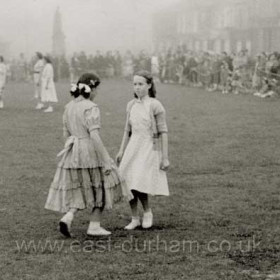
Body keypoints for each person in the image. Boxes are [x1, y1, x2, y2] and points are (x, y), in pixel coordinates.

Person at [45, 73, 132, 237]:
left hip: (73, 150)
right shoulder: (91, 107)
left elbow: (66, 134)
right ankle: (94, 225)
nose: (97, 92)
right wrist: (106, 160)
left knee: (82, 186)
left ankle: (68, 216)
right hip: (88, 149)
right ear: (90, 88)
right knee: (100, 185)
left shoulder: (68, 107)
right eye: (96, 88)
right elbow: (94, 135)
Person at [116, 70, 169, 230]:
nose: (137, 88)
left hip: (149, 147)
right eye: (135, 84)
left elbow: (163, 132)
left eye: (141, 84)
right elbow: (127, 130)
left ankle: (147, 212)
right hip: (133, 146)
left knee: (138, 180)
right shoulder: (131, 105)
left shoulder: (155, 104)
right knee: (128, 181)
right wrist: (121, 150)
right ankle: (134, 217)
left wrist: (165, 157)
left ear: (149, 85)